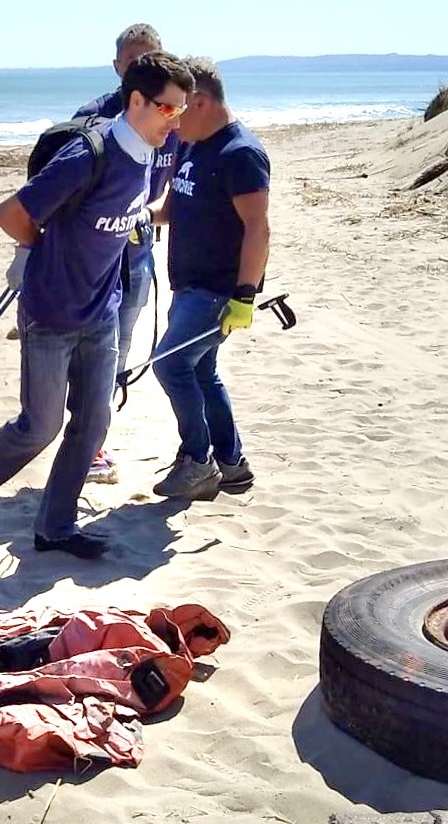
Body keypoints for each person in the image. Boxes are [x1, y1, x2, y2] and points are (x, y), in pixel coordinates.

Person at [0, 52, 193, 559]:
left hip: (102, 312)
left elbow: (123, 215)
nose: (176, 122)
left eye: (182, 110)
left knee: (93, 423)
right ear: (136, 101)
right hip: (50, 313)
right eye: (169, 109)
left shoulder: (148, 153)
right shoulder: (90, 153)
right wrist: (42, 254)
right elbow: (10, 213)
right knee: (40, 427)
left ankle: (55, 528)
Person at [148, 56, 270, 501]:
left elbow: (258, 228)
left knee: (169, 364)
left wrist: (244, 296)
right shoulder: (192, 144)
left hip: (217, 291)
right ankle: (232, 464)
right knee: (201, 371)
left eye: (176, 108)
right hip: (187, 284)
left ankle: (198, 461)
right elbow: (171, 208)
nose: (171, 120)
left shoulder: (241, 154)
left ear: (199, 101)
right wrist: (137, 217)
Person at [74, 23, 180, 484]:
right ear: (116, 67)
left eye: (150, 60)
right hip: (94, 255)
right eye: (133, 62)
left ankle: (94, 440)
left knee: (119, 347)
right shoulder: (94, 118)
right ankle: (85, 444)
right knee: (90, 348)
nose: (141, 69)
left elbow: (178, 184)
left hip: (137, 252)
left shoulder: (172, 119)